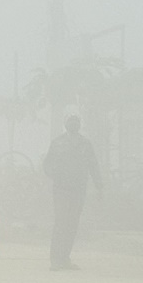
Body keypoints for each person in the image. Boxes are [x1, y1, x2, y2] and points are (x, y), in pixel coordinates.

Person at [43, 115, 102, 270]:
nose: (73, 124)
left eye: (76, 122)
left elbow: (93, 165)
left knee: (72, 224)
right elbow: (47, 164)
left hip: (78, 190)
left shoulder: (85, 144)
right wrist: (56, 174)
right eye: (71, 121)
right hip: (62, 189)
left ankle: (64, 259)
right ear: (65, 124)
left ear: (79, 125)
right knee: (61, 222)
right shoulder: (57, 143)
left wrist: (99, 186)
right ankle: (55, 260)